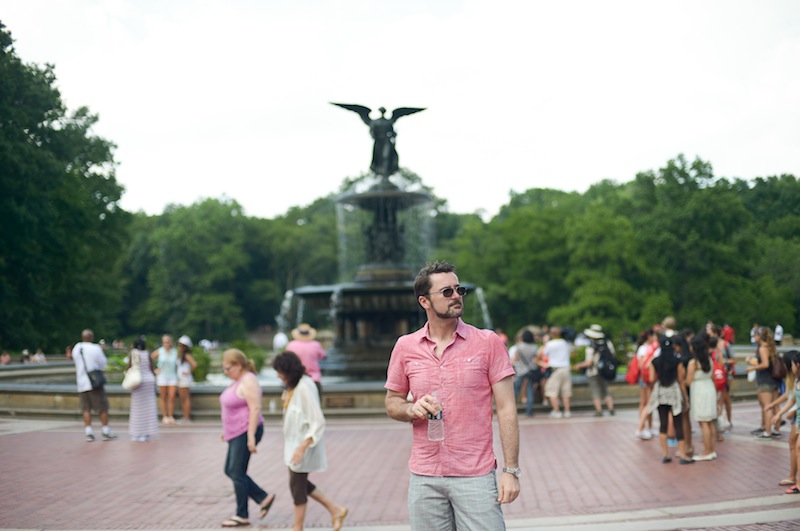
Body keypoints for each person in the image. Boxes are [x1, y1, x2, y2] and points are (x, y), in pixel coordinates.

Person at [384, 261, 520, 530]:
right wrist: (411, 409)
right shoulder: (405, 346)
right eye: (447, 292)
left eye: (459, 290)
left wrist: (511, 470)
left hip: (475, 475)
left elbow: (507, 409)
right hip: (425, 476)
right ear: (424, 301)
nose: (456, 296)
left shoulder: (487, 342)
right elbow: (392, 402)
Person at [273, 351, 349, 531]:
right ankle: (335, 510)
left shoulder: (305, 387)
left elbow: (317, 420)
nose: (278, 376)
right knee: (300, 483)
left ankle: (297, 527)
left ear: (289, 371)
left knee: (297, 486)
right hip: (295, 445)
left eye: (280, 372)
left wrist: (302, 447)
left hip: (303, 445)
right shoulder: (293, 386)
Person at [219, 348, 276, 528]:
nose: (226, 372)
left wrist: (251, 437)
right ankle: (262, 498)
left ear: (238, 365)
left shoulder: (249, 380)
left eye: (228, 368)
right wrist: (226, 429)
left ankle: (242, 514)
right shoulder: (238, 381)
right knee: (231, 470)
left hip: (246, 431)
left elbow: (255, 408)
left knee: (236, 471)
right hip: (236, 432)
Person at [647, 328, 693, 464]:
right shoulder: (677, 361)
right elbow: (681, 380)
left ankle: (665, 454)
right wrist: (685, 397)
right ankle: (683, 455)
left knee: (663, 424)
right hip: (674, 391)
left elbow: (651, 379)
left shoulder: (655, 361)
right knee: (678, 423)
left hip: (660, 391)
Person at [73, 329, 117, 442]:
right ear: (91, 338)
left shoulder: (77, 348)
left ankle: (89, 432)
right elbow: (103, 363)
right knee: (102, 407)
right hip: (94, 382)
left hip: (81, 382)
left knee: (86, 408)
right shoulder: (96, 348)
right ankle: (105, 430)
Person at [768, 350, 799, 490]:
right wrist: (776, 408)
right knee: (794, 445)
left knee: (795, 446)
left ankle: (793, 477)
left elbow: (793, 399)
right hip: (796, 415)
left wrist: (792, 411)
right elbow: (790, 397)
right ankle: (793, 476)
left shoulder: (795, 377)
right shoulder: (794, 378)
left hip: (797, 415)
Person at [686, 333, 718, 461]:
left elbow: (688, 381)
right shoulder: (709, 360)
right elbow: (712, 376)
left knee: (703, 422)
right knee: (710, 421)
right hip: (709, 388)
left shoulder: (693, 363)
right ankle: (712, 449)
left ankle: (707, 451)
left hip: (699, 390)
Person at [747, 326, 782, 439]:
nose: (754, 337)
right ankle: (776, 429)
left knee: (767, 407)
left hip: (765, 381)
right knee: (775, 406)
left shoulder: (762, 348)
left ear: (759, 336)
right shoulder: (771, 347)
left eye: (755, 335)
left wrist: (752, 368)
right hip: (774, 380)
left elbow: (765, 364)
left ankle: (767, 431)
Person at [574, 324, 616, 417]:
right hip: (604, 371)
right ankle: (611, 408)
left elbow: (589, 362)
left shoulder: (591, 346)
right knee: (605, 390)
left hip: (593, 372)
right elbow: (613, 355)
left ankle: (599, 410)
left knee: (595, 391)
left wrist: (579, 365)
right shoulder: (607, 343)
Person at [127, 337, 159, 442]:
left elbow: (129, 366)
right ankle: (146, 433)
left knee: (137, 409)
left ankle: (137, 433)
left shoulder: (133, 353)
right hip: (149, 381)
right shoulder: (147, 354)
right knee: (148, 409)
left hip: (138, 382)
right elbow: (152, 368)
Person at [542, 326, 575, 418]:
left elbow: (543, 353)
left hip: (556, 369)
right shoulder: (566, 343)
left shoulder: (550, 344)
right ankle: (567, 411)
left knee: (551, 390)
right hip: (566, 369)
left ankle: (556, 411)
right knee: (566, 391)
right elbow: (573, 353)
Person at [285, 324, 326, 396]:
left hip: (295, 379)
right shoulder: (316, 345)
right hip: (313, 378)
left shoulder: (291, 345)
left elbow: (286, 360)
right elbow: (323, 356)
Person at [510, 329, 540, 417]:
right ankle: (529, 411)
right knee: (530, 390)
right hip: (530, 370)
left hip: (520, 370)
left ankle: (511, 409)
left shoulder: (519, 346)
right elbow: (536, 360)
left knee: (515, 390)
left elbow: (515, 359)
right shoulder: (534, 347)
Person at [152, 334, 179, 425]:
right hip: (162, 376)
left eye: (168, 342)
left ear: (171, 342)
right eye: (164, 342)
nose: (166, 344)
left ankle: (171, 415)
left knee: (171, 397)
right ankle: (164, 416)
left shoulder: (175, 352)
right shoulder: (159, 351)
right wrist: (154, 369)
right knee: (163, 397)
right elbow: (149, 359)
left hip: (172, 376)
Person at [176, 335, 197, 424]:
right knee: (183, 398)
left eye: (181, 345)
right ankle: (185, 416)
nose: (180, 347)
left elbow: (194, 364)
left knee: (185, 398)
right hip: (181, 378)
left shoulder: (186, 355)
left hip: (184, 379)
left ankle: (187, 417)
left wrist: (188, 372)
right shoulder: (181, 355)